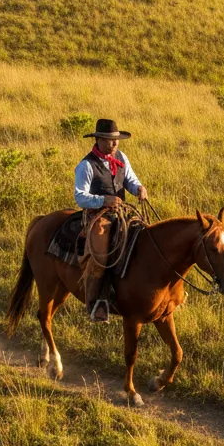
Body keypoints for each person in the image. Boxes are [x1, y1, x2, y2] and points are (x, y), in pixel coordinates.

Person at [74, 119, 148, 322]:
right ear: (98, 139)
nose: (114, 144)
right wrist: (103, 200)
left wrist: (139, 188)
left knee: (147, 238)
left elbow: (130, 180)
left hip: (122, 213)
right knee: (100, 256)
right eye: (109, 140)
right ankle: (95, 303)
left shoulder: (121, 157)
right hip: (99, 216)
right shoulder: (86, 165)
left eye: (116, 140)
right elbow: (79, 196)